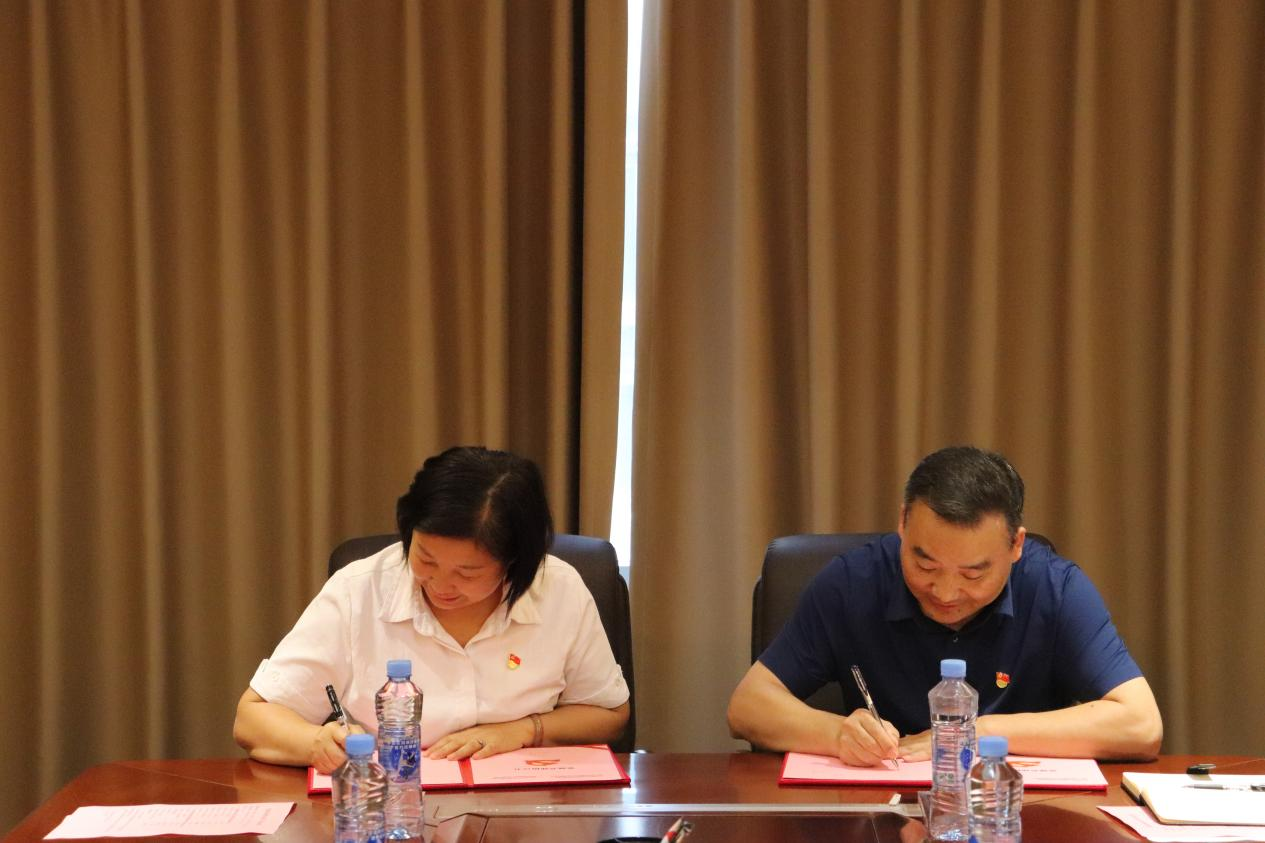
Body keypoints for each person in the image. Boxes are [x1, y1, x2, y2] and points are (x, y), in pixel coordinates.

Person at [727, 445, 1163, 767]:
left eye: (973, 574)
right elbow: (748, 707)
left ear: (1015, 545)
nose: (946, 592)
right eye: (925, 563)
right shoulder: (852, 583)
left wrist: (978, 732)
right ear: (902, 523)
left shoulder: (1055, 589)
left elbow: (1141, 725)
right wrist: (838, 734)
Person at [234, 446, 630, 773]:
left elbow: (609, 714)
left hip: (526, 812)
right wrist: (315, 742)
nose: (440, 585)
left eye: (467, 572)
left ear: (514, 561)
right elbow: (253, 718)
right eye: (425, 558)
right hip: (393, 807)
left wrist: (526, 730)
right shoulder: (358, 591)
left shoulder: (559, 590)